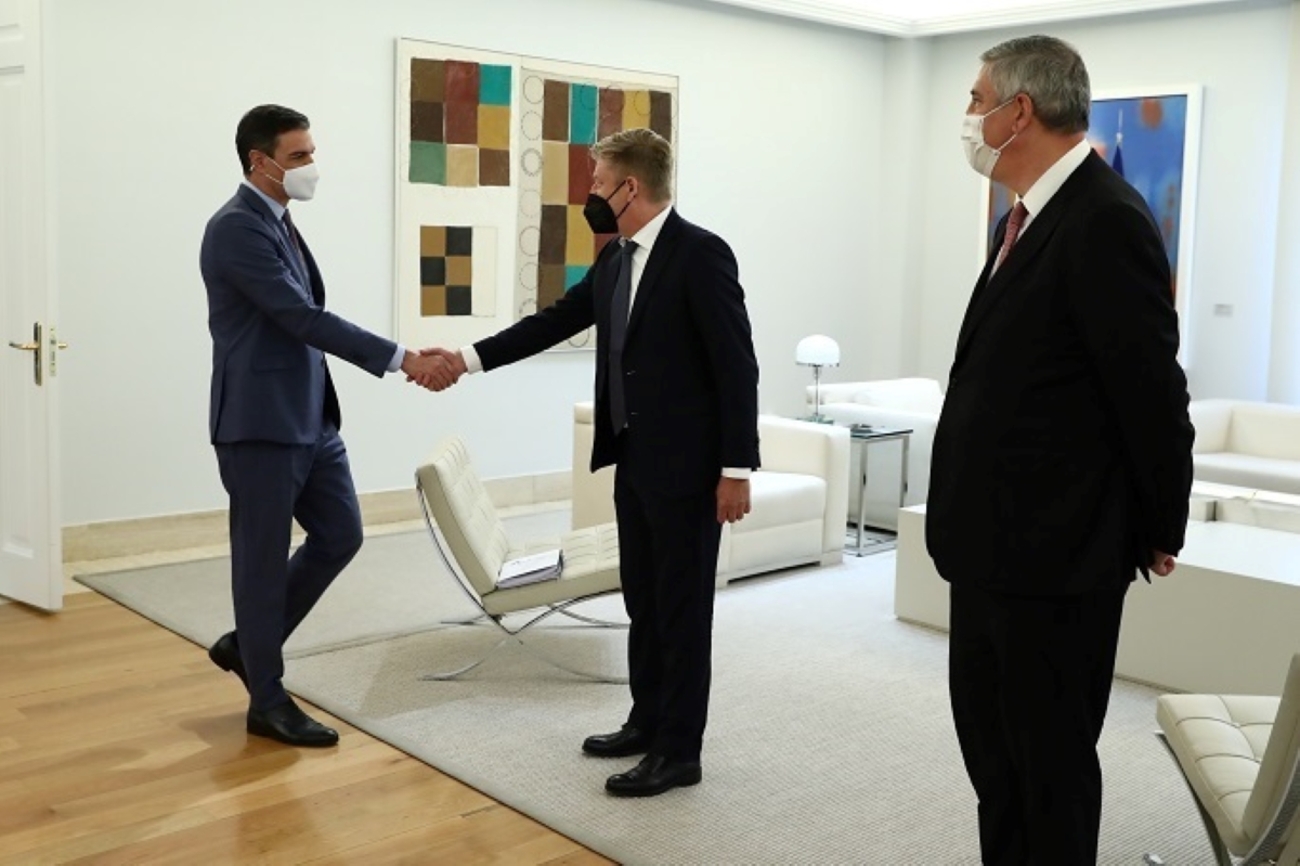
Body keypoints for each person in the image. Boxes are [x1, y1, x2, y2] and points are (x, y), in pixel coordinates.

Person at [926, 36, 1194, 863]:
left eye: (976, 102)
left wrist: (1159, 526)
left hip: (1056, 556)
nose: (968, 119)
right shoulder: (1022, 217)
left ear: (1020, 111)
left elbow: (1151, 393)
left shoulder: (1105, 218)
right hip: (986, 548)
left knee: (1047, 767)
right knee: (994, 762)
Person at [429, 127, 760, 797]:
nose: (589, 195)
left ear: (629, 187)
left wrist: (737, 469)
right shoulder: (616, 261)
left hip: (689, 468)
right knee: (643, 599)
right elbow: (552, 321)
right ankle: (646, 719)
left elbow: (736, 365)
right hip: (632, 459)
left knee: (682, 610)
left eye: (595, 183)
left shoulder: (700, 254)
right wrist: (464, 359)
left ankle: (679, 751)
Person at [200, 104, 454, 747]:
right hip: (260, 424)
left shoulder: (279, 221)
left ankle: (248, 644)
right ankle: (267, 698)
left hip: (311, 418)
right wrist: (403, 359)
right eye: (298, 157)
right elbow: (300, 317)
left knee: (340, 534)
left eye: (312, 152)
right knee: (259, 563)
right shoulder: (235, 229)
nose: (312, 167)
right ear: (259, 162)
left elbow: (308, 315)